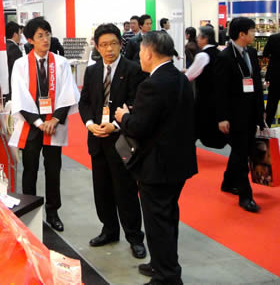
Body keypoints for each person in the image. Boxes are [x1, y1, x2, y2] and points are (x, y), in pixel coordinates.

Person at [115, 31, 197, 285]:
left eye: (141, 52)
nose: (139, 56)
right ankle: (164, 264)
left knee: (157, 222)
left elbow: (139, 127)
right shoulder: (179, 77)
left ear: (149, 52)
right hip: (178, 162)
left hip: (157, 165)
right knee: (168, 217)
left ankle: (166, 277)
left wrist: (124, 117)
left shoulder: (152, 84)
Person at [78, 24, 146, 259]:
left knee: (126, 191)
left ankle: (135, 237)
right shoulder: (92, 71)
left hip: (121, 139)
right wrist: (90, 124)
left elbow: (135, 103)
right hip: (97, 138)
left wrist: (116, 125)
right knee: (102, 190)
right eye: (104, 45)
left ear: (120, 44)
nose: (109, 49)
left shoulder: (133, 69)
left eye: (114, 44)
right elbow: (85, 102)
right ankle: (109, 230)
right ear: (97, 47)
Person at [9, 17, 80, 232]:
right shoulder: (21, 64)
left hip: (54, 125)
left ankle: (53, 212)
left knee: (53, 170)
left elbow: (68, 94)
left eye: (47, 34)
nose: (45, 39)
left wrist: (55, 119)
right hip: (32, 125)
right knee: (29, 170)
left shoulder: (61, 63)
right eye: (40, 36)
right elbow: (19, 97)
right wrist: (39, 122)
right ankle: (29, 211)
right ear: (30, 40)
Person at [215, 17, 264, 213]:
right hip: (235, 115)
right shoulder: (225, 57)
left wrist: (261, 111)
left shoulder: (250, 53)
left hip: (252, 111)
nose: (254, 34)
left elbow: (256, 83)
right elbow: (219, 91)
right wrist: (222, 117)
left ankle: (228, 182)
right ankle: (246, 196)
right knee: (242, 153)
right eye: (252, 31)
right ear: (242, 34)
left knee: (241, 150)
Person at [185, 25, 226, 149]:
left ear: (205, 38)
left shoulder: (203, 55)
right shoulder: (219, 52)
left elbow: (189, 75)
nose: (197, 39)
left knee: (195, 127)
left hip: (204, 98)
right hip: (218, 97)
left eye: (199, 37)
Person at [263, 12, 280, 140]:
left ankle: (267, 128)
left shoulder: (274, 38)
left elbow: (265, 53)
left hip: (275, 75)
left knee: (272, 103)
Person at [5, 21, 23, 102]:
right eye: (20, 33)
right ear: (15, 34)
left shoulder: (4, 46)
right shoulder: (14, 48)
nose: (21, 36)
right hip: (11, 86)